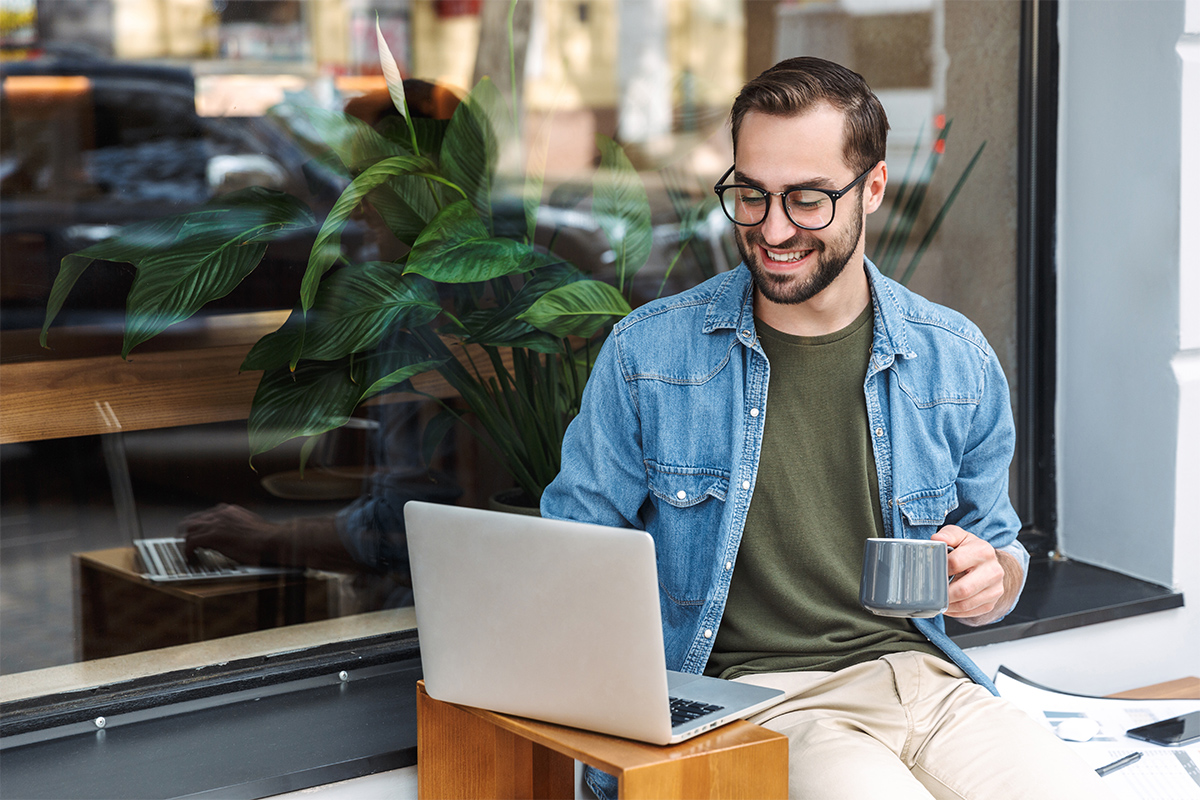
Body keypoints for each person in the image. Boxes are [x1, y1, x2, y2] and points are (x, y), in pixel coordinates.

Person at [541, 57, 1114, 800]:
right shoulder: (647, 358)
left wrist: (991, 579)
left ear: (872, 188)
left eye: (808, 199)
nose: (773, 230)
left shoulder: (954, 358)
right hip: (770, 703)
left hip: (933, 686)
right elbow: (565, 563)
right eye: (752, 195)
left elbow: (998, 547)